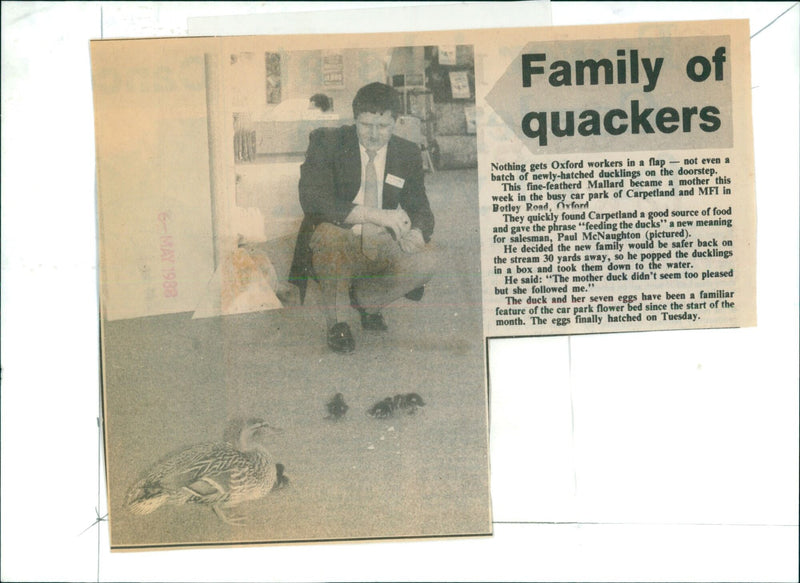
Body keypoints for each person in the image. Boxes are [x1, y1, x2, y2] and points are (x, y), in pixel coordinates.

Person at [289, 82, 437, 353]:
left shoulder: (407, 153)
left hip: (380, 243)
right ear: (354, 119)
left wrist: (417, 232)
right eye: (366, 125)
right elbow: (311, 198)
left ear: (396, 122)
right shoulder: (327, 141)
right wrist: (374, 215)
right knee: (330, 234)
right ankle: (338, 324)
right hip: (339, 239)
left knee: (427, 259)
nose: (373, 134)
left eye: (383, 127)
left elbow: (421, 208)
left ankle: (367, 302)